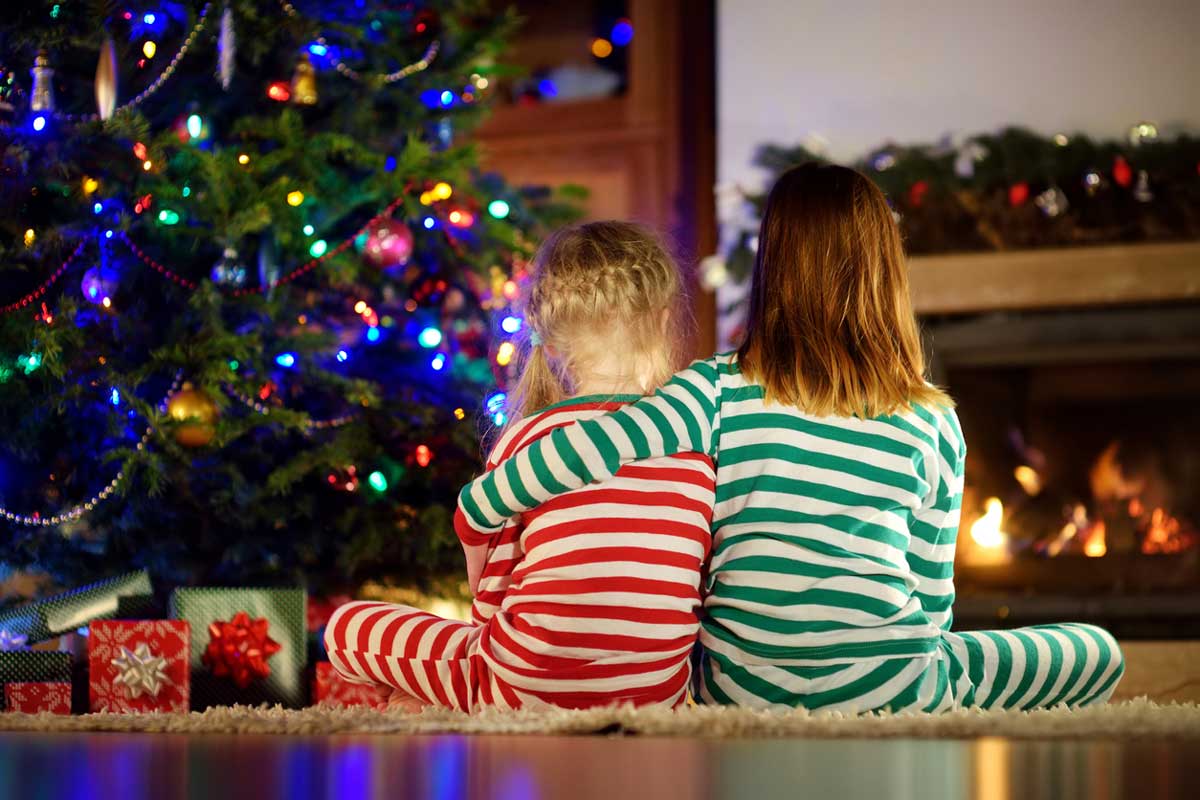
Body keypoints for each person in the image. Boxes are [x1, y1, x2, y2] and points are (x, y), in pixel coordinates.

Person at [456, 164, 1125, 712]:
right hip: (891, 690)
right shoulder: (932, 417)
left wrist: (486, 502)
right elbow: (930, 604)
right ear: (886, 272)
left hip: (737, 692)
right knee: (1097, 651)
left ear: (772, 265)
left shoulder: (711, 389)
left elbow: (590, 446)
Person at [325, 221, 714, 711]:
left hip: (520, 694)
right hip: (654, 698)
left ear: (547, 343)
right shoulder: (694, 453)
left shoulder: (528, 440)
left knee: (347, 630)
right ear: (660, 322)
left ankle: (441, 700)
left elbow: (494, 595)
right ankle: (438, 698)